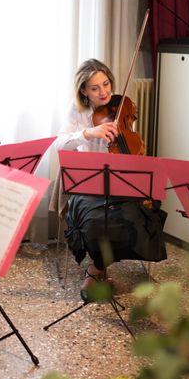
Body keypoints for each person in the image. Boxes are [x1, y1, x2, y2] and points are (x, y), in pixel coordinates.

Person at [55, 58, 167, 301]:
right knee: (97, 220)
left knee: (135, 217)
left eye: (106, 84)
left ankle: (96, 269)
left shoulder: (120, 106)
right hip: (89, 184)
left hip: (122, 180)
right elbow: (59, 143)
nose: (104, 92)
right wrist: (88, 133)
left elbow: (130, 138)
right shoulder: (77, 112)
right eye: (95, 88)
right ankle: (98, 268)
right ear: (83, 90)